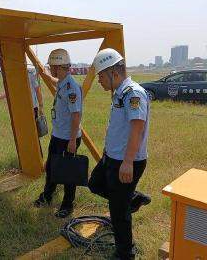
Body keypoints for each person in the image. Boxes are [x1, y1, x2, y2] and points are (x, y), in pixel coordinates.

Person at [88, 48, 151, 260]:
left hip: (126, 161)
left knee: (118, 211)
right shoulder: (120, 93)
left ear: (114, 74)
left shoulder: (133, 93)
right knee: (95, 183)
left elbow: (136, 129)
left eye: (101, 76)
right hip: (112, 157)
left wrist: (127, 162)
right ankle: (132, 198)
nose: (99, 81)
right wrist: (107, 154)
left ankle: (125, 252)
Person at [33, 48, 82, 218]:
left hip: (68, 137)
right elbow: (53, 80)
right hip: (58, 135)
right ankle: (46, 197)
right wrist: (44, 72)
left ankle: (67, 205)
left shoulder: (72, 87)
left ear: (58, 67)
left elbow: (76, 115)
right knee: (52, 168)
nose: (51, 69)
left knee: (68, 173)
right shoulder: (63, 82)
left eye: (51, 66)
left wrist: (72, 141)